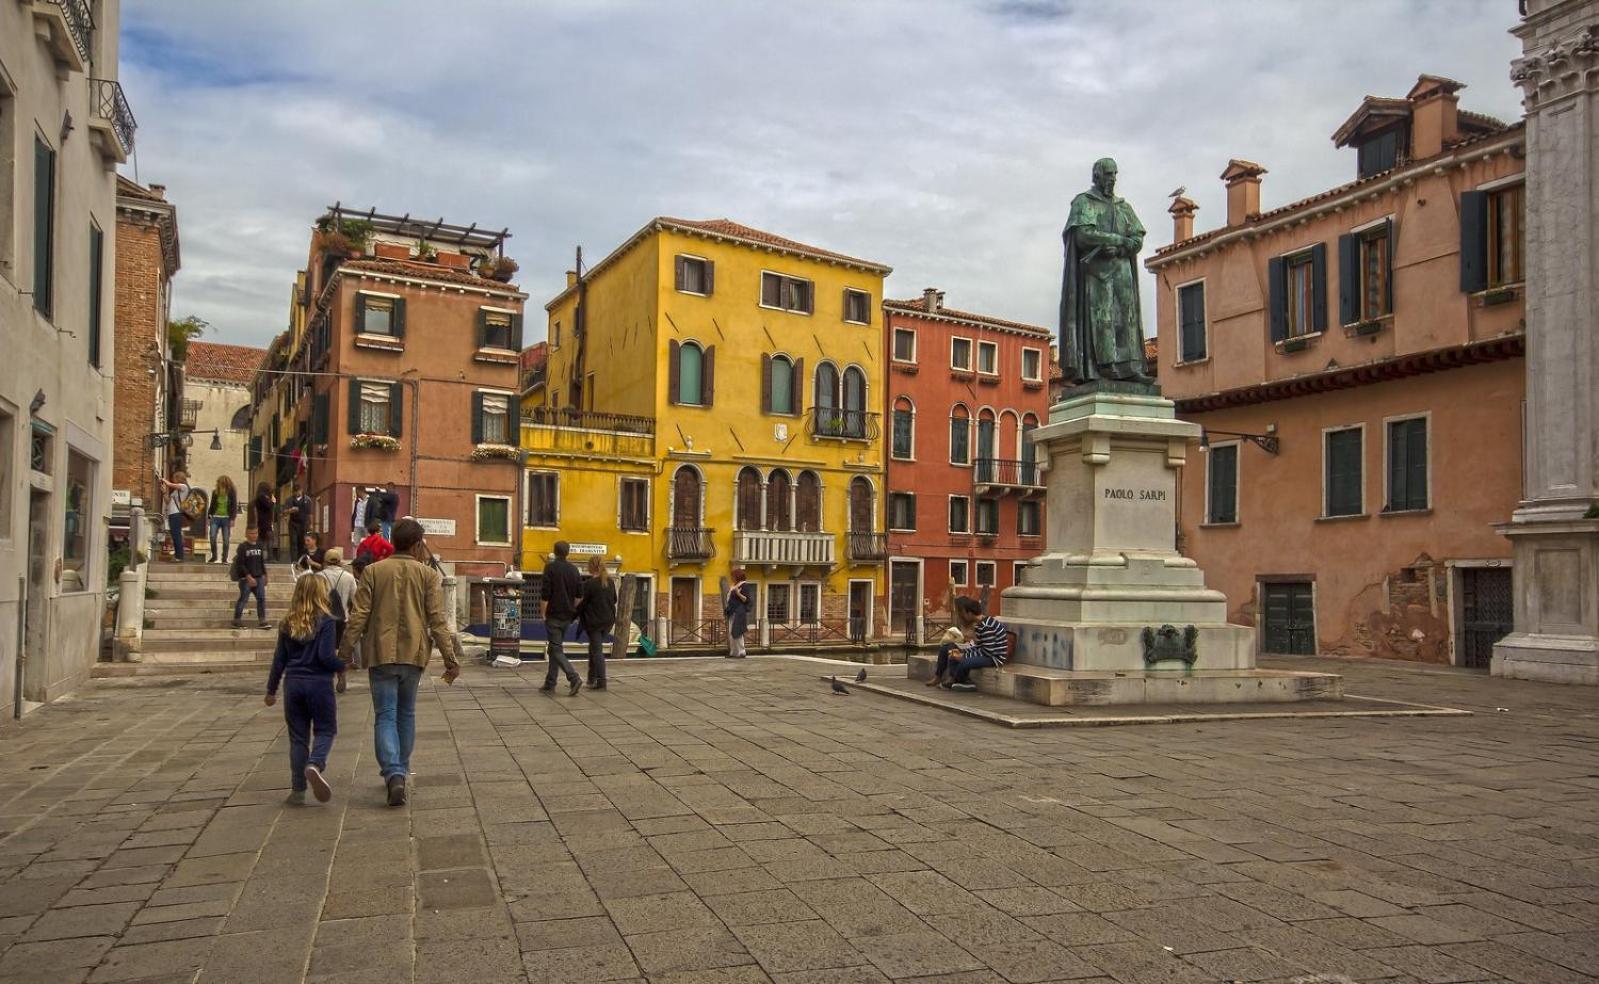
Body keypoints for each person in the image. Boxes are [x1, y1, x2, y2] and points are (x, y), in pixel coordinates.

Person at [338, 519, 461, 807]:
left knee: (385, 715)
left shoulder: (372, 571)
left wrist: (343, 654)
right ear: (418, 544)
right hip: (413, 654)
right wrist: (450, 659)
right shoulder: (428, 576)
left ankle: (393, 773)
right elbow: (437, 620)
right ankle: (401, 771)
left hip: (380, 654)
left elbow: (358, 617)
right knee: (406, 713)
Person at [264, 574, 346, 806]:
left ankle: (298, 790)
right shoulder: (327, 620)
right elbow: (325, 656)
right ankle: (315, 763)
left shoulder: (287, 622)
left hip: (293, 684)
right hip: (319, 684)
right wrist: (343, 666)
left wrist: (271, 690)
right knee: (325, 730)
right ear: (321, 593)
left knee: (298, 738)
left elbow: (279, 660)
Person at [931, 596, 1009, 692]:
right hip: (986, 653)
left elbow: (988, 652)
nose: (961, 617)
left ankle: (961, 681)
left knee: (964, 662)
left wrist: (964, 656)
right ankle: (955, 680)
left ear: (970, 613)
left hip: (994, 658)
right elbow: (979, 647)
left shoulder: (987, 626)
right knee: (951, 651)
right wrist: (962, 652)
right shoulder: (980, 625)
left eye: (963, 613)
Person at [539, 541, 584, 696]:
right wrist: (571, 607)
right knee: (554, 648)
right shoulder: (574, 570)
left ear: (554, 552)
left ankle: (573, 677)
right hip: (567, 616)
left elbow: (545, 593)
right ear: (568, 552)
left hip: (554, 615)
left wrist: (543, 613)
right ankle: (550, 683)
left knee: (556, 649)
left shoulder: (550, 568)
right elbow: (579, 595)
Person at [576, 556, 617, 690]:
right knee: (593, 648)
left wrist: (572, 615)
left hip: (594, 622)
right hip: (608, 621)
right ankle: (591, 678)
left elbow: (582, 604)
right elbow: (614, 600)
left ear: (591, 567)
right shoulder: (610, 582)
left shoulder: (589, 584)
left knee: (597, 651)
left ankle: (601, 682)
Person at [318, 547, 356, 653]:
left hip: (323, 618)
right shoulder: (349, 577)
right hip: (342, 618)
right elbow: (355, 599)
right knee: (337, 647)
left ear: (325, 560)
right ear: (340, 561)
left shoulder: (318, 576)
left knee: (324, 648)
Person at [230, 527, 270, 629]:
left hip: (259, 577)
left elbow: (262, 562)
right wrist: (248, 576)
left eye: (256, 533)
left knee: (261, 599)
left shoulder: (259, 546)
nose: (254, 535)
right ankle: (236, 620)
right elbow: (240, 564)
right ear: (247, 534)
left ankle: (262, 620)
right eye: (251, 533)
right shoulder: (243, 547)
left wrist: (265, 574)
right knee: (243, 599)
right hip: (246, 579)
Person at [158, 470, 192, 561]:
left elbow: (169, 484)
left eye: (174, 478)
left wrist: (162, 479)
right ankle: (178, 556)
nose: (173, 479)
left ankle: (179, 557)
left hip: (176, 514)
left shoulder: (183, 487)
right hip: (172, 514)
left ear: (178, 478)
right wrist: (164, 492)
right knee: (174, 535)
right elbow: (168, 501)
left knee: (176, 535)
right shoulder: (176, 491)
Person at [208, 476, 240, 564]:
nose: (219, 485)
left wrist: (233, 518)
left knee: (226, 539)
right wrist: (209, 516)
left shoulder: (231, 493)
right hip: (215, 517)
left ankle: (224, 558)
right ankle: (214, 556)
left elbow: (234, 506)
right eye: (218, 484)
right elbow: (212, 505)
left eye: (221, 484)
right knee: (212, 536)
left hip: (226, 518)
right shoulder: (215, 492)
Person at [724, 569, 752, 659]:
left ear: (737, 576)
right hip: (732, 611)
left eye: (733, 576)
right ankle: (734, 652)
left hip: (739, 611)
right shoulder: (735, 585)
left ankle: (741, 652)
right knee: (731, 632)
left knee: (737, 631)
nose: (731, 578)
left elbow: (746, 599)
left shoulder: (744, 585)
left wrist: (737, 593)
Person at [284, 484, 313, 562]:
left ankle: (300, 561)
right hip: (293, 523)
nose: (297, 493)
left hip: (304, 524)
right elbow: (284, 512)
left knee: (302, 543)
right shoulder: (289, 500)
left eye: (299, 491)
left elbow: (309, 513)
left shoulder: (307, 500)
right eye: (296, 492)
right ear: (293, 492)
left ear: (301, 490)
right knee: (293, 542)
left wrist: (310, 524)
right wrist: (290, 510)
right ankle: (294, 561)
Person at [252, 483, 277, 560]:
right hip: (265, 521)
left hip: (263, 521)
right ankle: (270, 557)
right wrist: (273, 502)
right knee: (269, 538)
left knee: (262, 539)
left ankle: (261, 557)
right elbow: (268, 506)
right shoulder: (262, 497)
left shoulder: (259, 497)